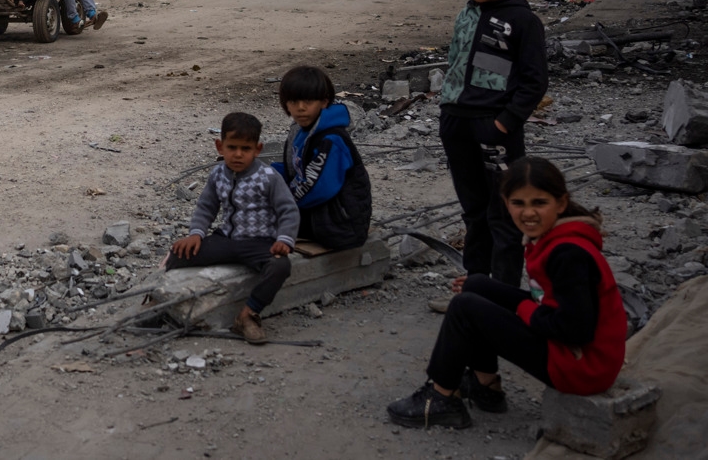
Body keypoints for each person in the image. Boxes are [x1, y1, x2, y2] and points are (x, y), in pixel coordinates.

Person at [386, 158, 627, 429]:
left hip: (582, 366)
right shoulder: (551, 237)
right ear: (506, 202)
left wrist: (523, 310)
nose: (528, 213)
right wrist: (501, 295)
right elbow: (547, 303)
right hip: (574, 352)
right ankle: (485, 384)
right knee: (477, 285)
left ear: (560, 203)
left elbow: (573, 329)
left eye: (539, 203)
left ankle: (440, 398)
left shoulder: (567, 253)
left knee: (466, 307)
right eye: (518, 203)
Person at [436, 0, 548, 305]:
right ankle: (476, 290)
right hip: (456, 123)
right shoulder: (465, 15)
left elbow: (534, 81)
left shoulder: (521, 20)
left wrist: (504, 122)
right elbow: (456, 66)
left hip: (494, 128)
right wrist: (447, 110)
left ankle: (502, 296)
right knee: (473, 211)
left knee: (502, 214)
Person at [167, 111, 299, 345]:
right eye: (232, 147)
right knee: (178, 253)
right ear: (220, 146)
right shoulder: (218, 174)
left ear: (258, 149)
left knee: (280, 266)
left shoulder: (269, 177)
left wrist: (285, 240)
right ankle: (159, 301)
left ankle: (248, 315)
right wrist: (196, 234)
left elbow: (288, 210)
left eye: (246, 149)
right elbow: (206, 207)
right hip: (226, 239)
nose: (238, 154)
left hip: (259, 243)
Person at [271, 66, 372, 251]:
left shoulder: (331, 140)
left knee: (264, 220)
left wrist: (281, 202)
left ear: (324, 102)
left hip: (341, 226)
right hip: (324, 215)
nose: (300, 108)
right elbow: (296, 168)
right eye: (294, 101)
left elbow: (316, 187)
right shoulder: (302, 131)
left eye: (308, 101)